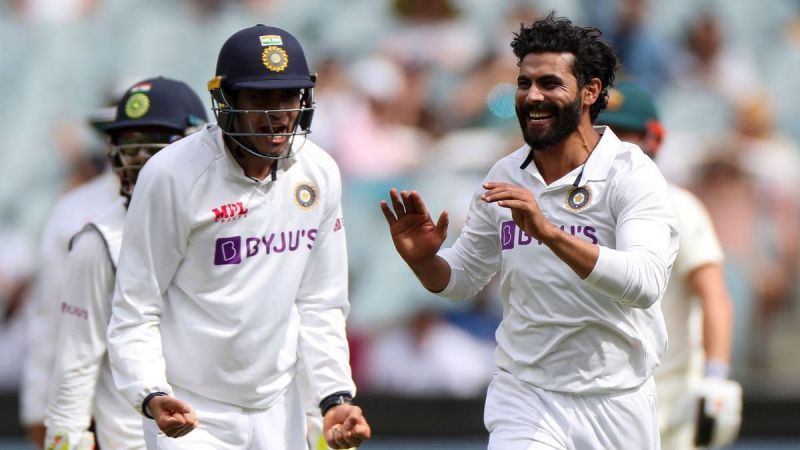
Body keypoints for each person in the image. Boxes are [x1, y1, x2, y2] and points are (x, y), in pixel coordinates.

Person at [380, 14, 678, 449]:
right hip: (527, 395)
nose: (532, 96)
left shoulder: (630, 174)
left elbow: (645, 283)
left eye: (550, 84)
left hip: (618, 399)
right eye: (524, 83)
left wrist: (550, 232)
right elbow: (461, 280)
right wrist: (426, 261)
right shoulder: (504, 175)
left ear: (590, 92)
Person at [106, 25, 370, 450]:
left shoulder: (319, 173)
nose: (279, 113)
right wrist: (151, 392)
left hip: (278, 408)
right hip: (190, 411)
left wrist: (334, 396)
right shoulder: (172, 175)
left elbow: (321, 303)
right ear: (226, 101)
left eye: (288, 96)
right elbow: (136, 308)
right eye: (260, 98)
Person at [43, 77, 208, 450]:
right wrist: (64, 439)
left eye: (150, 144)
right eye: (128, 144)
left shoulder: (232, 224)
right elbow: (76, 362)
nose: (136, 159)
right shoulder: (97, 242)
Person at [597, 81, 742, 449]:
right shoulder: (578, 208)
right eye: (600, 132)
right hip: (599, 403)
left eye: (621, 134)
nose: (609, 145)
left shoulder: (677, 205)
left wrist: (716, 375)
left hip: (670, 403)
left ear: (653, 140)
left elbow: (714, 296)